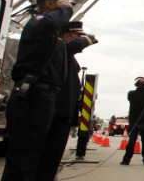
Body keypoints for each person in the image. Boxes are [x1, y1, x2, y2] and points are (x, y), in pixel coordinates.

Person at [2, 0, 73, 181]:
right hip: (33, 95)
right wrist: (65, 9)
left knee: (32, 156)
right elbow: (57, 20)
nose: (68, 8)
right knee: (22, 159)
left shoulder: (50, 31)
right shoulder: (40, 22)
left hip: (41, 97)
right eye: (63, 3)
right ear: (50, 3)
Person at [38, 21, 98, 180]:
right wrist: (87, 40)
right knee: (45, 158)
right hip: (55, 114)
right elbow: (67, 47)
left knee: (52, 158)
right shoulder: (57, 50)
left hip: (62, 115)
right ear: (66, 36)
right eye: (77, 36)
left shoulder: (67, 56)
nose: (80, 38)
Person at [120, 77, 144, 165]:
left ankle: (126, 160)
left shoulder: (131, 93)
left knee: (131, 141)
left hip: (134, 122)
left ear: (136, 84)